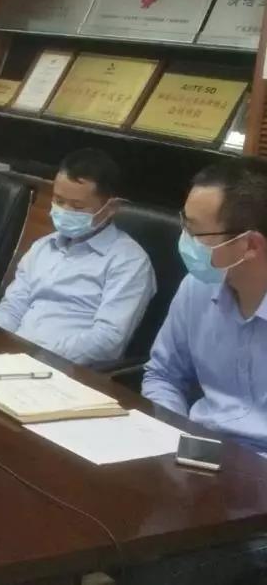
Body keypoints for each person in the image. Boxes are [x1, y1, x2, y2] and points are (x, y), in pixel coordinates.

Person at [128, 158, 267, 584]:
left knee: (163, 571)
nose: (184, 241)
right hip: (198, 463)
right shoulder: (197, 287)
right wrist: (179, 435)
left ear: (250, 245)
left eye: (195, 232)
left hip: (258, 495)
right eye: (183, 224)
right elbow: (163, 374)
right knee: (95, 523)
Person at [0, 149, 156, 368]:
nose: (64, 211)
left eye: (78, 206)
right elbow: (12, 307)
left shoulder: (129, 262)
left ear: (111, 208)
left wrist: (35, 356)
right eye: (58, 200)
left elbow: (107, 341)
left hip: (65, 369)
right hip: (12, 357)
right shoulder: (43, 247)